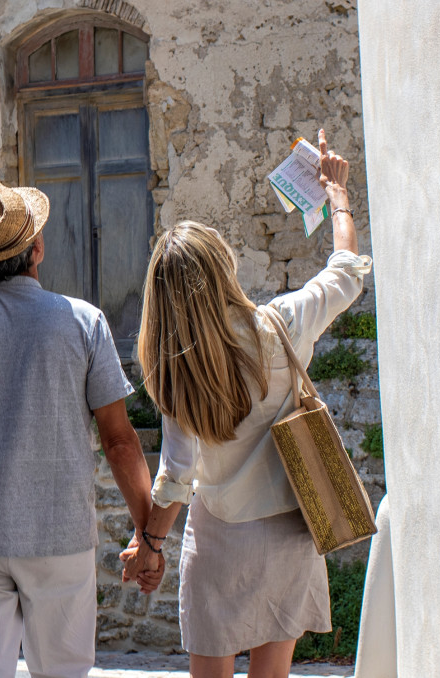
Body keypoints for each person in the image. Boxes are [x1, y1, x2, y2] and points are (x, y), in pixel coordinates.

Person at [0, 177, 167, 678]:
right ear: (37, 248)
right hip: (58, 535)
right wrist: (147, 531)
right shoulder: (83, 322)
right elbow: (118, 441)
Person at [131, 130, 370, 678]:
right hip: (291, 526)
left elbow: (176, 477)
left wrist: (149, 545)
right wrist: (338, 196)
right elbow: (344, 273)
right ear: (224, 269)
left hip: (221, 539)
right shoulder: (281, 323)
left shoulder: (179, 370)